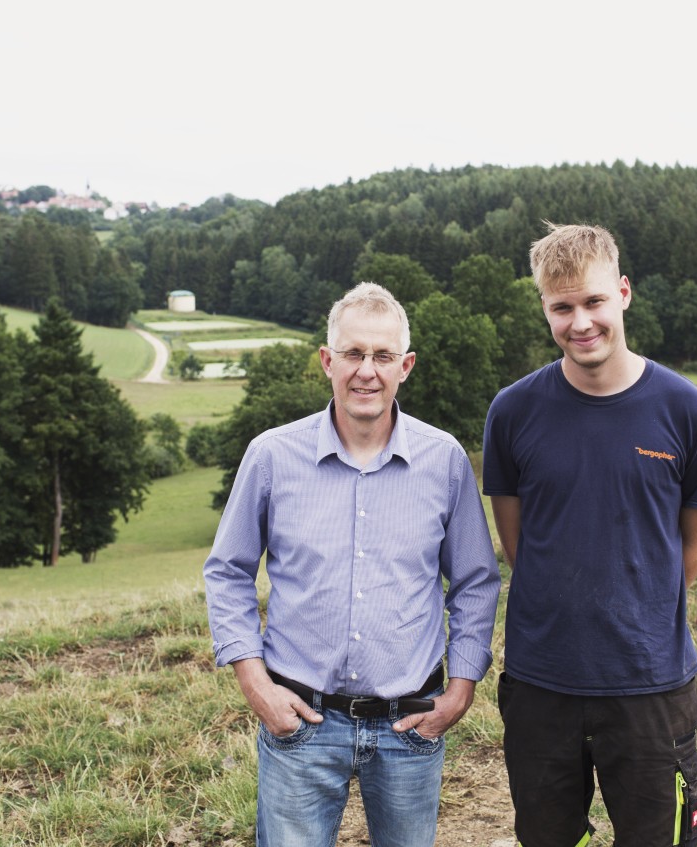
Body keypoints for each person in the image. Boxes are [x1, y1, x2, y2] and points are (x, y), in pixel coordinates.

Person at [204, 282, 500, 846]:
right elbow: (227, 570)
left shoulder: (444, 462)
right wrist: (254, 682)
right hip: (301, 723)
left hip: (409, 725)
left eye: (383, 356)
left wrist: (460, 688)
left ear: (405, 366)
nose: (367, 371)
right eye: (353, 354)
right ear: (327, 360)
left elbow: (476, 582)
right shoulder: (271, 456)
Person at [482, 223, 697, 846]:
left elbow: (694, 546)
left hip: (650, 683)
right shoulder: (512, 412)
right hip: (541, 684)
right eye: (561, 307)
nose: (580, 322)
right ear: (544, 308)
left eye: (592, 302)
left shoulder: (688, 411)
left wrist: (641, 599)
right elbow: (519, 544)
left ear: (622, 292)